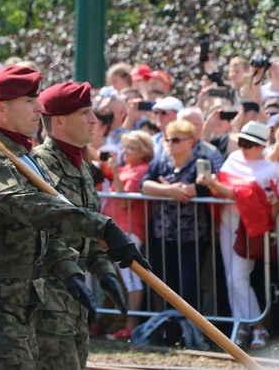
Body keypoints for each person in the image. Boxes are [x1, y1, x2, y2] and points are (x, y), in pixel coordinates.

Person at [0, 67, 147, 369]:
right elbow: (25, 206)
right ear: (1, 109)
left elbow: (46, 236)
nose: (40, 108)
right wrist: (103, 226)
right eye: (29, 101)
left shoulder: (26, 159)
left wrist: (87, 269)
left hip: (31, 300)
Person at [32, 81, 132, 370]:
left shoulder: (81, 167)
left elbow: (88, 235)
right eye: (85, 113)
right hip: (48, 296)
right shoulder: (38, 166)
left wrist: (105, 272)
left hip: (75, 300)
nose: (93, 120)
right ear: (59, 121)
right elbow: (47, 233)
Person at [197, 121, 278, 349]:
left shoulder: (271, 169)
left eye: (249, 143)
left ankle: (257, 326)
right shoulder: (232, 159)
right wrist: (210, 183)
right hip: (227, 223)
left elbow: (244, 197)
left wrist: (213, 183)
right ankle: (242, 326)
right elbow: (223, 189)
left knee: (238, 278)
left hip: (249, 227)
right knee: (231, 278)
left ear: (262, 146)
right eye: (241, 142)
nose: (244, 147)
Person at [141, 120, 213, 309]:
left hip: (193, 235)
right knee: (168, 284)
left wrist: (178, 188)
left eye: (176, 140)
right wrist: (170, 190)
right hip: (164, 233)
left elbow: (204, 190)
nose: (170, 143)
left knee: (189, 284)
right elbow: (145, 185)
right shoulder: (161, 161)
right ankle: (172, 331)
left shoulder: (201, 163)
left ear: (190, 142)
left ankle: (191, 332)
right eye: (168, 140)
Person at [103, 130, 155, 339]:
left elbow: (123, 200)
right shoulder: (128, 168)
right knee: (126, 278)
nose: (125, 151)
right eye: (124, 147)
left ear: (143, 152)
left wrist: (115, 172)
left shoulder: (141, 169)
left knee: (132, 278)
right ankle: (123, 324)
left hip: (129, 231)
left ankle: (132, 325)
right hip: (117, 230)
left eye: (131, 148)